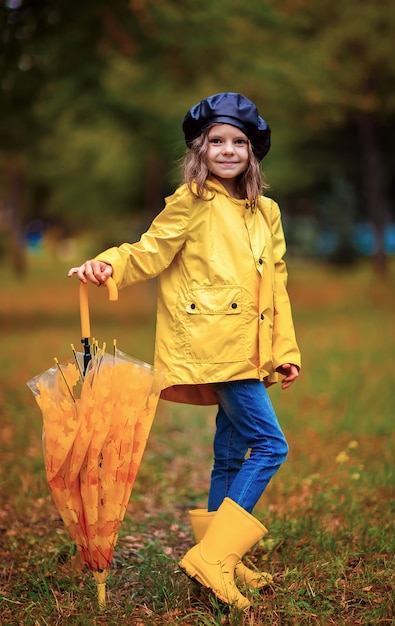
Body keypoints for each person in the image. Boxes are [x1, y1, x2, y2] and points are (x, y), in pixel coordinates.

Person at [68, 92, 301, 610]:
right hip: (211, 344)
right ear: (199, 150)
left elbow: (276, 284)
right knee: (270, 446)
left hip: (250, 349)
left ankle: (220, 555)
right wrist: (108, 264)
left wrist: (284, 349)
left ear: (252, 152)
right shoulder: (192, 200)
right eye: (215, 141)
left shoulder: (267, 212)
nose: (226, 150)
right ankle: (215, 558)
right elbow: (149, 251)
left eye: (237, 142)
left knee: (228, 451)